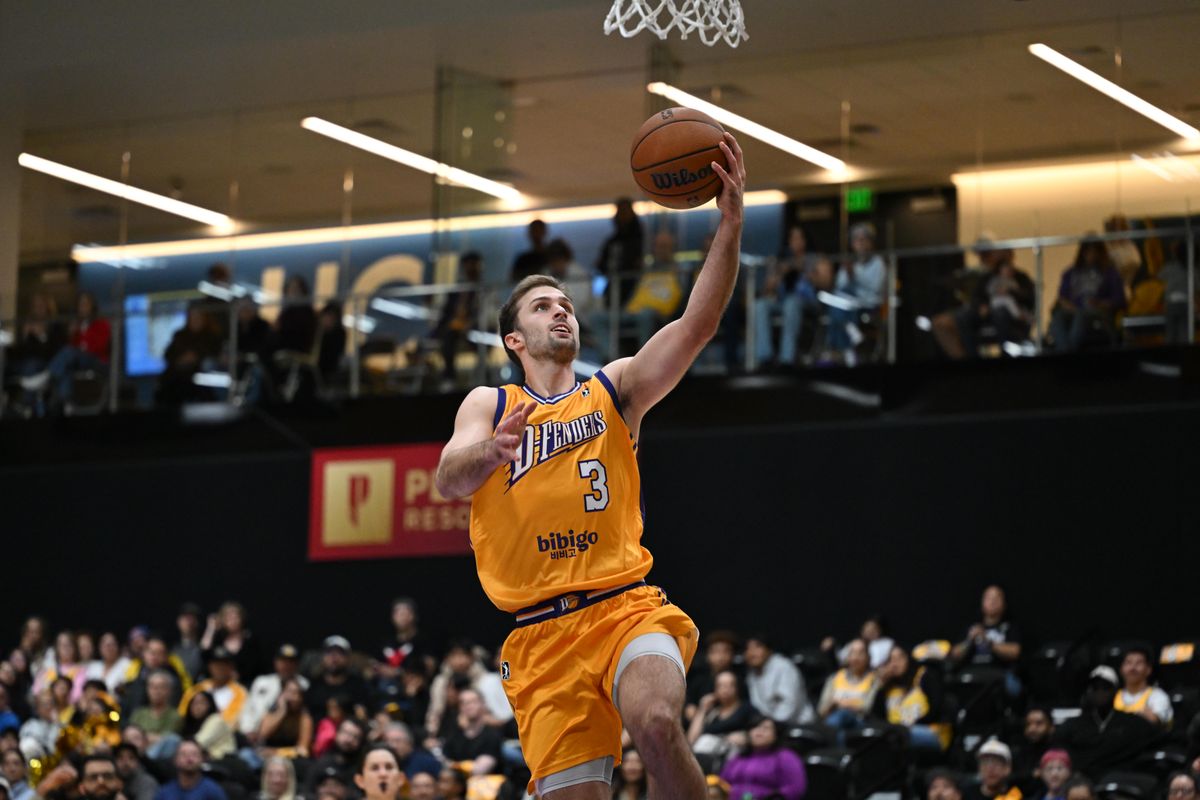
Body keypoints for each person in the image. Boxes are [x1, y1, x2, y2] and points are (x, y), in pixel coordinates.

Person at [434, 133, 745, 799]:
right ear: (515, 338)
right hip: (541, 638)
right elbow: (449, 478)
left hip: (623, 607)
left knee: (657, 722)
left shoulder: (614, 388)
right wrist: (489, 451)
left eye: (565, 304)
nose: (561, 310)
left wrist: (731, 226)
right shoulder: (490, 403)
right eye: (544, 306)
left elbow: (697, 324)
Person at [933, 240, 1035, 359]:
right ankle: (971, 356)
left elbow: (1029, 298)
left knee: (1000, 313)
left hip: (1009, 313)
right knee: (963, 316)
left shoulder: (1021, 277)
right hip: (987, 312)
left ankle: (1005, 352)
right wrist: (981, 305)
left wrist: (1011, 292)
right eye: (998, 255)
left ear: (1011, 256)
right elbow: (977, 296)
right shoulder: (988, 277)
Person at [1051, 666, 1158, 779]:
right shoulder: (1072, 726)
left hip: (1120, 783)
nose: (1100, 691)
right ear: (1088, 691)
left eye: (1105, 687)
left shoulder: (1134, 724)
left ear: (1115, 691)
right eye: (1095, 687)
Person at [754, 225, 831, 368]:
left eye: (798, 238)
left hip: (809, 302)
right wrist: (779, 274)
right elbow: (766, 290)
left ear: (805, 240)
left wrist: (802, 269)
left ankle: (786, 359)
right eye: (792, 238)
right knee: (760, 305)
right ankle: (765, 357)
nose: (795, 242)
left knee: (791, 303)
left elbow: (826, 283)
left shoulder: (816, 258)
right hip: (782, 301)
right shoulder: (782, 260)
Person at [30, 293, 111, 414]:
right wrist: (72, 334)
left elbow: (98, 347)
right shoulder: (77, 325)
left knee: (68, 352)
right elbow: (74, 347)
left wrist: (82, 333)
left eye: (85, 305)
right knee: (65, 370)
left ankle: (47, 376)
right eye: (80, 305)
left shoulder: (102, 324)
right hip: (78, 361)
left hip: (96, 360)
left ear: (92, 307)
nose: (82, 308)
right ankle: (65, 403)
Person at [822, 222, 886, 367]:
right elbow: (839, 286)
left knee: (840, 306)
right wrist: (849, 274)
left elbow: (875, 288)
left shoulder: (878, 263)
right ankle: (850, 336)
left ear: (871, 242)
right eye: (857, 240)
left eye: (864, 239)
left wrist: (855, 275)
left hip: (869, 303)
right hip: (848, 303)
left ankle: (838, 346)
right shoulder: (851, 263)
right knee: (838, 299)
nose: (861, 243)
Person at [1048, 237, 1126, 352]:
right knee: (1058, 318)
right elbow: (1062, 297)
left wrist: (1101, 303)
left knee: (1081, 317)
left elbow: (1119, 299)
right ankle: (1064, 350)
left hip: (1097, 312)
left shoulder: (1110, 273)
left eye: (1094, 252)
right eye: (1088, 252)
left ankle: (1070, 352)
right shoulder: (1070, 273)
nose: (1091, 255)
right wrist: (1070, 306)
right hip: (1073, 309)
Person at [871, 645, 949, 752]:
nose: (895, 663)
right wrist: (881, 685)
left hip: (931, 731)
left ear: (909, 659)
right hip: (897, 733)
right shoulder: (888, 688)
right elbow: (875, 716)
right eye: (891, 660)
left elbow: (937, 709)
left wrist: (908, 726)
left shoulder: (924, 676)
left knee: (895, 737)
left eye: (899, 658)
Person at [951, 585, 1022, 697]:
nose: (993, 601)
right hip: (972, 673)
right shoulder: (972, 628)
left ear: (1004, 603)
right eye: (989, 598)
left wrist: (988, 642)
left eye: (997, 598)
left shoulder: (1010, 627)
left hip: (999, 673)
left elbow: (1015, 652)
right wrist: (969, 641)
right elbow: (955, 654)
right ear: (982, 603)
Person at [719, 717, 807, 800]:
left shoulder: (786, 757)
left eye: (766, 728)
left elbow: (795, 788)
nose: (759, 731)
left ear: (776, 734)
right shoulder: (739, 757)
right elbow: (721, 783)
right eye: (755, 727)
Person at [431, 252, 483, 387]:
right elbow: (445, 313)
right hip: (453, 327)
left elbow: (485, 313)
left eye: (474, 265)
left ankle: (451, 377)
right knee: (438, 336)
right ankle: (438, 377)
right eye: (468, 265)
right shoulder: (457, 290)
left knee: (450, 336)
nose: (470, 269)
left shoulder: (483, 290)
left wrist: (469, 324)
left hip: (475, 328)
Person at [240, 645, 310, 745]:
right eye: (283, 661)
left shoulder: (304, 684)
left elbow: (302, 748)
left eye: (290, 662)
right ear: (276, 662)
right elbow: (248, 709)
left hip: (289, 735)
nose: (286, 665)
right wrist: (248, 729)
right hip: (257, 735)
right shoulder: (262, 682)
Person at [157, 306, 222, 405]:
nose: (195, 320)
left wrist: (196, 357)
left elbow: (215, 354)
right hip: (177, 375)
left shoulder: (211, 336)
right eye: (192, 317)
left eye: (198, 317)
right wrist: (180, 359)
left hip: (199, 376)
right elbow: (168, 355)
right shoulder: (179, 335)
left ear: (204, 318)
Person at [744, 634, 814, 726]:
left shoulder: (783, 667)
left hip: (799, 724)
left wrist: (773, 727)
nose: (752, 653)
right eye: (748, 649)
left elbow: (790, 704)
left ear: (769, 651)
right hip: (769, 727)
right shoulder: (751, 675)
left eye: (758, 647)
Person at [817, 638, 878, 741]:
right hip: (834, 720)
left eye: (861, 653)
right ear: (848, 657)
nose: (856, 657)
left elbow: (867, 707)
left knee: (842, 714)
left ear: (868, 657)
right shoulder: (835, 678)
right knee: (839, 725)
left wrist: (842, 704)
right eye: (853, 652)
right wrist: (833, 705)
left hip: (860, 722)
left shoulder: (874, 679)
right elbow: (821, 709)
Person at [686, 670, 755, 756]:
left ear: (737, 687)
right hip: (706, 755)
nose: (725, 689)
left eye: (730, 685)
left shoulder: (746, 708)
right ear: (715, 689)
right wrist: (702, 709)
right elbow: (691, 740)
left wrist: (746, 737)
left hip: (734, 755)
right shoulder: (712, 712)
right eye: (721, 686)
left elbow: (759, 729)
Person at [595, 198, 645, 310]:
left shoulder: (641, 239)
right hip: (614, 287)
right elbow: (601, 264)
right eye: (620, 212)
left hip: (634, 286)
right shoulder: (612, 241)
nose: (622, 216)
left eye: (625, 212)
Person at [177, 649, 247, 728]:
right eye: (216, 665)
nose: (220, 668)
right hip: (192, 730)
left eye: (223, 665)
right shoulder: (197, 689)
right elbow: (182, 714)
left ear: (231, 668)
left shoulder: (239, 691)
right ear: (210, 666)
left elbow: (232, 721)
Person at [304, 637, 370, 722]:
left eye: (340, 653)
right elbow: (306, 715)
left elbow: (362, 716)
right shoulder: (314, 685)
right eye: (329, 653)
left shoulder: (357, 685)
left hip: (347, 732)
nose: (334, 658)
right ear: (323, 657)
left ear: (348, 658)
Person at [685, 631, 741, 723]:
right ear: (708, 655)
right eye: (716, 652)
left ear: (733, 655)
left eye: (726, 651)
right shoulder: (698, 680)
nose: (721, 656)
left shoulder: (740, 679)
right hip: (702, 725)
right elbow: (689, 706)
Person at [199, 602, 261, 684]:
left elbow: (256, 665)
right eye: (228, 618)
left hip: (246, 684)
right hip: (220, 684)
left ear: (242, 619)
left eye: (235, 617)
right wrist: (211, 627)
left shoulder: (249, 640)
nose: (232, 621)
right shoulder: (219, 640)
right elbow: (204, 651)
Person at [1114, 645, 1173, 728]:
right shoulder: (1113, 696)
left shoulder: (1158, 696)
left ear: (1148, 669)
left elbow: (1154, 721)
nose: (1132, 668)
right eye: (1128, 663)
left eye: (1139, 663)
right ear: (1121, 669)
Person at [302, 719, 365, 798]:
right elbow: (306, 792)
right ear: (337, 733)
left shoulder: (360, 770)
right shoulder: (321, 763)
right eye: (346, 733)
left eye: (355, 737)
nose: (349, 740)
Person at [128, 670, 183, 757]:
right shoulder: (139, 713)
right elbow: (130, 736)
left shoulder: (175, 716)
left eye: (161, 687)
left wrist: (144, 737)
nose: (157, 691)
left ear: (169, 690)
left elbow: (167, 741)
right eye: (153, 687)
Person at [154, 739, 227, 800]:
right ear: (175, 760)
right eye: (184, 754)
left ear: (202, 759)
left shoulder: (213, 791)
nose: (189, 759)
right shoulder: (165, 793)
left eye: (194, 754)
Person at [180, 691, 236, 760]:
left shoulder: (216, 719)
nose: (197, 707)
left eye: (201, 703)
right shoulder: (188, 724)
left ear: (210, 705)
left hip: (223, 760)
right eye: (194, 703)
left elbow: (199, 742)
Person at [1010, 707, 1055, 781]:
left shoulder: (1059, 752)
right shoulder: (1017, 753)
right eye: (1028, 724)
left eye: (1039, 723)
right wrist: (1032, 775)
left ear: (1051, 727)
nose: (1032, 728)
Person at [511, 219, 550, 284]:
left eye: (538, 230)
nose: (537, 234)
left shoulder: (554, 256)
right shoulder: (522, 260)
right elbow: (514, 280)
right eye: (534, 231)